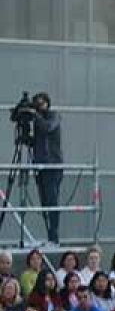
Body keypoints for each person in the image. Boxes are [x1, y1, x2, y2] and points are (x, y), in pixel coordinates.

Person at [28, 92, 62, 245]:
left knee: (51, 199)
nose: (39, 107)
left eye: (41, 104)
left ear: (48, 103)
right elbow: (35, 142)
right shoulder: (37, 120)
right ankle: (49, 234)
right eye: (36, 104)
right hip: (40, 164)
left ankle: (54, 236)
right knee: (44, 200)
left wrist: (35, 115)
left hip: (52, 164)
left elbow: (49, 128)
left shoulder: (53, 116)